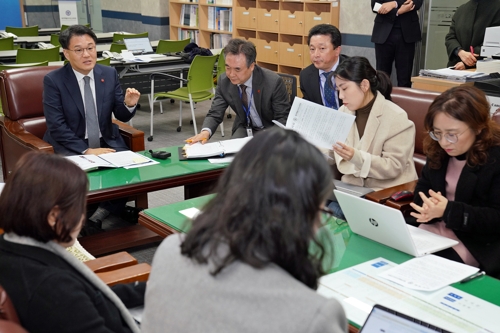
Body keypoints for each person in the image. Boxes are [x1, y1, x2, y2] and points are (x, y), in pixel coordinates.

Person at [142, 128, 348, 333]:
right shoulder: (316, 315)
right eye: (321, 208)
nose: (321, 221)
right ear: (300, 212)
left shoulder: (170, 251)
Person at [0, 152, 144, 333]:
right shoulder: (53, 286)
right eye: (80, 207)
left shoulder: (12, 249)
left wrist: (152, 289)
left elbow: (92, 297)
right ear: (54, 216)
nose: (82, 217)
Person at [43, 25, 142, 231]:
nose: (87, 54)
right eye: (79, 50)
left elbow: (120, 114)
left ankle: (98, 214)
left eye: (91, 47)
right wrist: (87, 150)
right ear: (67, 54)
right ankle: (88, 216)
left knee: (133, 168)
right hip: (70, 144)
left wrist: (129, 104)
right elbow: (56, 126)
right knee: (74, 177)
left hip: (106, 141)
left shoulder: (108, 73)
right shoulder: (54, 80)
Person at [409, 86, 500, 278]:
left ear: (478, 126)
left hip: (473, 241)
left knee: (428, 273)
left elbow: (495, 218)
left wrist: (448, 210)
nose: (444, 142)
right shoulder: (438, 150)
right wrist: (426, 207)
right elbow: (422, 190)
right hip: (431, 232)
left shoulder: (495, 159)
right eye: (437, 133)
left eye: (452, 134)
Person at [329, 56, 417, 217]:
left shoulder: (396, 116)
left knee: (334, 214)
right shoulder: (343, 112)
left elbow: (394, 166)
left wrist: (357, 157)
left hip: (383, 193)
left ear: (364, 85)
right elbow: (331, 150)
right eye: (338, 90)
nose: (341, 96)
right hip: (350, 190)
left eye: (345, 88)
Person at [186, 38, 290, 143]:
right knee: (232, 154)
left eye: (237, 69)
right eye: (227, 68)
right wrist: (205, 132)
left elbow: (282, 119)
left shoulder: (272, 82)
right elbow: (215, 112)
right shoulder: (224, 81)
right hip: (245, 127)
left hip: (270, 129)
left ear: (252, 66)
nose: (231, 74)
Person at [371, 0, 423, 87]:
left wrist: (394, 4)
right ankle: (382, 100)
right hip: (383, 33)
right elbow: (375, 5)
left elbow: (416, 3)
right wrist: (398, 11)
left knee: (405, 79)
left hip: (407, 34)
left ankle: (404, 100)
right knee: (382, 78)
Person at [300, 24, 348, 108]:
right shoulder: (305, 76)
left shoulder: (352, 71)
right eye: (312, 49)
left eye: (322, 48)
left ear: (337, 50)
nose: (316, 55)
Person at [445, 0, 500, 69]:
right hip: (455, 68)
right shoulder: (461, 9)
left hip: (483, 68)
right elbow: (450, 37)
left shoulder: (497, 8)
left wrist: (468, 62)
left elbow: (494, 42)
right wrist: (460, 52)